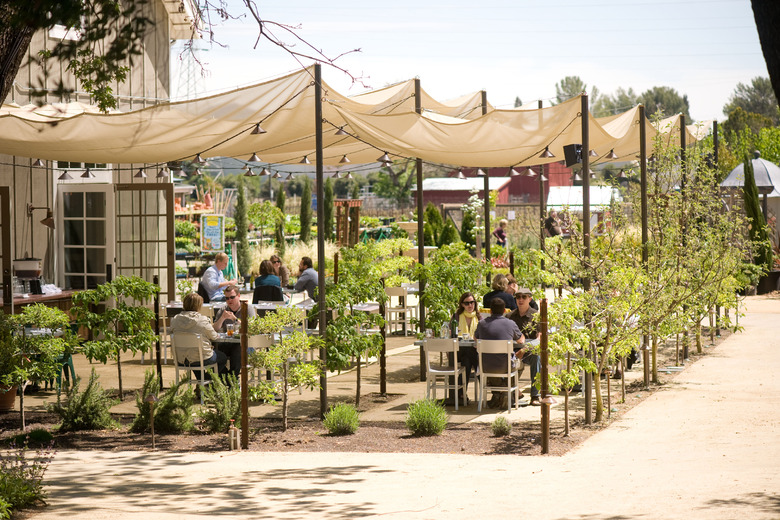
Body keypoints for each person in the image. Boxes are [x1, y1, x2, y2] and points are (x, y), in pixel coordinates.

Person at [474, 298, 525, 408]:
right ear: (504, 311)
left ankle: (498, 394)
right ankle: (506, 391)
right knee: (520, 366)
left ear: (490, 311)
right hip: (506, 366)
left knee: (490, 364)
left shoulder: (482, 324)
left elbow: (475, 338)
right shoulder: (510, 324)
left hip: (485, 367)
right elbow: (521, 340)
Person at [170, 293, 228, 377]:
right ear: (198, 306)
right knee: (222, 357)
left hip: (181, 359)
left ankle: (201, 382)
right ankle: (206, 381)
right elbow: (214, 336)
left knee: (193, 357)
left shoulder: (175, 320)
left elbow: (171, 332)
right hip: (201, 358)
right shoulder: (202, 320)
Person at [507, 287, 542, 406]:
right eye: (518, 297)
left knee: (536, 357)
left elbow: (540, 339)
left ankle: (535, 395)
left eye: (524, 297)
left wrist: (524, 349)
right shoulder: (509, 316)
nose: (520, 300)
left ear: (530, 299)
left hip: (529, 351)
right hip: (512, 351)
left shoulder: (536, 316)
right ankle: (511, 392)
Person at [213, 285, 256, 376]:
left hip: (246, 345)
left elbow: (251, 328)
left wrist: (235, 319)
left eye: (232, 297)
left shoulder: (247, 309)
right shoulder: (223, 310)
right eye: (227, 298)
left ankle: (233, 379)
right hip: (228, 343)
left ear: (239, 296)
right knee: (215, 354)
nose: (229, 300)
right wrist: (222, 318)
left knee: (238, 350)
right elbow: (214, 329)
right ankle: (227, 379)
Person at [450, 292, 481, 383]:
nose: (470, 305)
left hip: (474, 350)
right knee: (471, 356)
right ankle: (485, 385)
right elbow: (450, 333)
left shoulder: (479, 317)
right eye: (467, 303)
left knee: (467, 360)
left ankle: (461, 393)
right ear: (462, 304)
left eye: (472, 302)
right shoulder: (456, 317)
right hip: (459, 350)